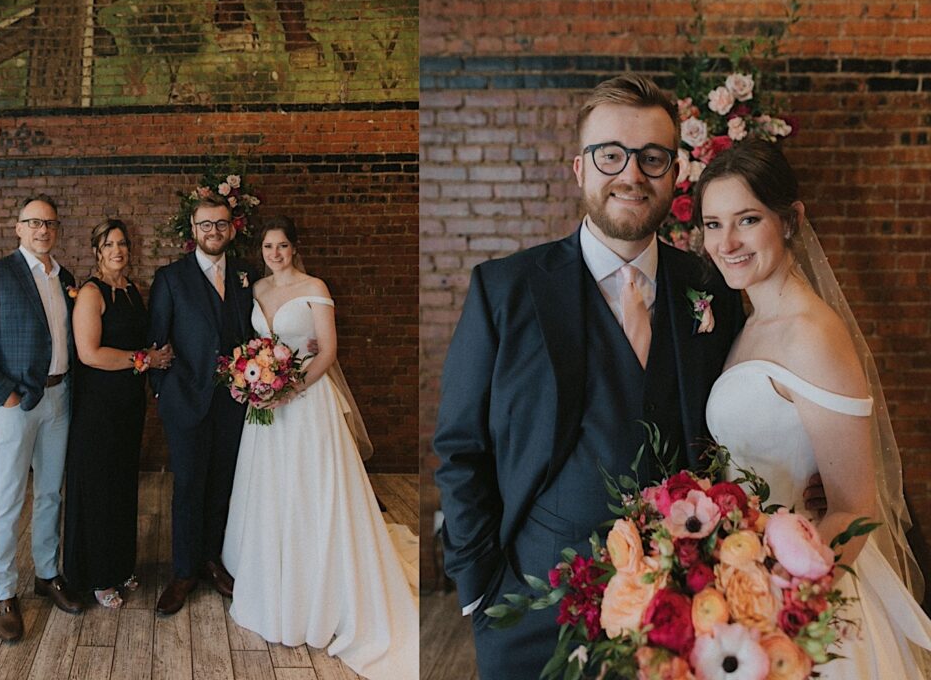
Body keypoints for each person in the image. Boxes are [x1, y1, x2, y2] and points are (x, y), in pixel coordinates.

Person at [433, 73, 746, 678]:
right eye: (611, 155)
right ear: (580, 168)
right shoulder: (505, 289)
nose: (632, 174)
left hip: (681, 608)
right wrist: (478, 590)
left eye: (652, 157)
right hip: (529, 606)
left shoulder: (712, 289)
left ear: (675, 173)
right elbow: (459, 448)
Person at [696, 138, 931, 677]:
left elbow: (854, 508)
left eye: (747, 219)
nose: (726, 242)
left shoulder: (813, 335)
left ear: (791, 220)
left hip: (804, 599)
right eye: (712, 224)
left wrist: (780, 615)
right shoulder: (750, 322)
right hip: (744, 584)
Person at [222, 215, 419, 680]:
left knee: (312, 492)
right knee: (272, 494)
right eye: (268, 247)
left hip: (307, 403)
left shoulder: (314, 285)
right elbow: (256, 346)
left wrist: (289, 388)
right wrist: (259, 381)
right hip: (266, 408)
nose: (275, 254)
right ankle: (273, 581)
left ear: (294, 248)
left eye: (282, 246)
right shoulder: (257, 292)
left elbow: (327, 350)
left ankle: (322, 586)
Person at [0, 193, 84, 642]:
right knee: (9, 500)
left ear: (57, 229)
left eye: (49, 223)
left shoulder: (64, 277)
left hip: (59, 399)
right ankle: (4, 591)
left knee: (51, 493)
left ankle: (47, 573)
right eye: (33, 222)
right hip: (16, 405)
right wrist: (4, 397)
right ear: (18, 227)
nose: (42, 230)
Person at [147, 194, 256, 615]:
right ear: (193, 231)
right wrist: (162, 392)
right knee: (188, 486)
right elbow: (157, 340)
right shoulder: (171, 278)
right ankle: (183, 571)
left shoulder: (247, 275)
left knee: (223, 484)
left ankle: (213, 560)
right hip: (185, 401)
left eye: (221, 224)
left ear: (233, 228)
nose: (214, 231)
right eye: (205, 225)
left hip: (234, 402)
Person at [63, 219, 173, 609]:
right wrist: (143, 359)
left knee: (123, 484)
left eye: (123, 243)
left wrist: (157, 355)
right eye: (109, 244)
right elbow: (89, 353)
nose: (118, 250)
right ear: (97, 251)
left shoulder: (130, 290)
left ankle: (121, 563)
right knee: (99, 488)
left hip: (129, 403)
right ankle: (97, 576)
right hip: (98, 406)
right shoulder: (91, 293)